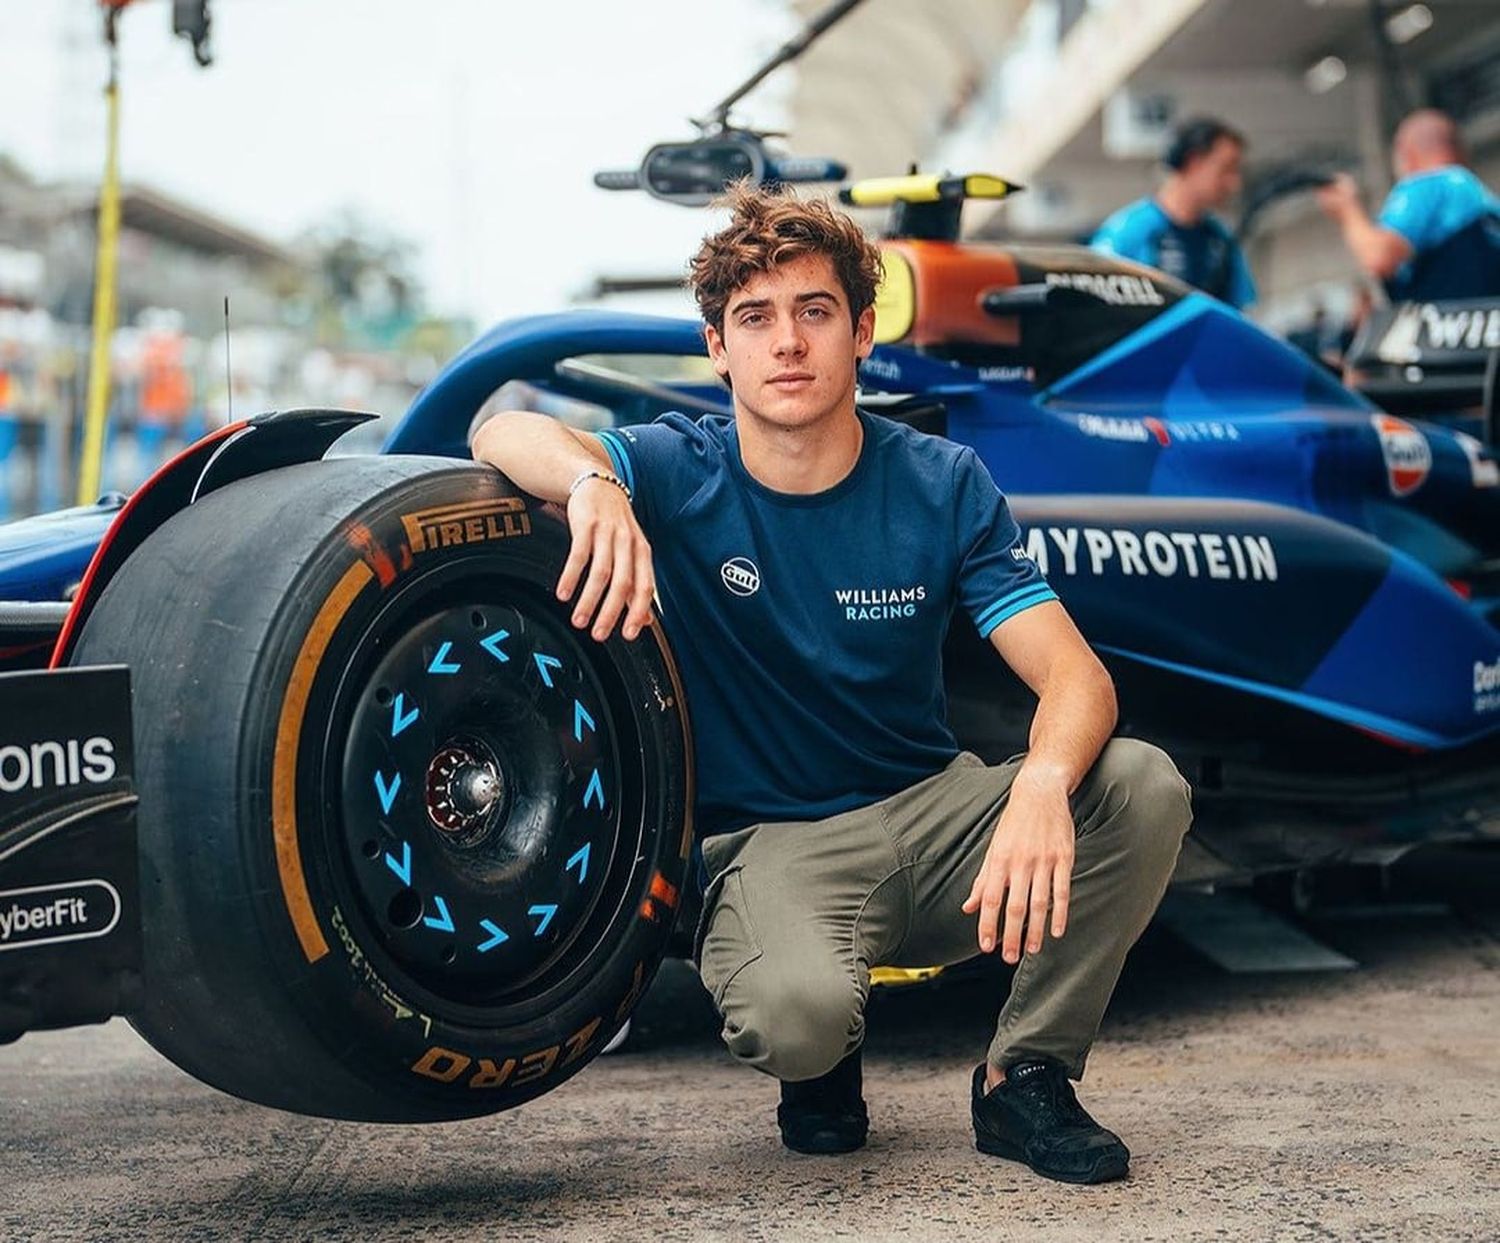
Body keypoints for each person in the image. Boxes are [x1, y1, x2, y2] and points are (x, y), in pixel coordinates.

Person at [472, 185, 1192, 1184]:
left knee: (1141, 782)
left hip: (936, 817)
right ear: (718, 348)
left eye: (814, 312)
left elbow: (1076, 677)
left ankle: (1024, 1075)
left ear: (860, 332)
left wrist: (1037, 785)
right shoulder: (679, 471)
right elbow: (499, 435)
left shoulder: (943, 482)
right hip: (774, 844)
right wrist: (592, 484)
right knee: (797, 1022)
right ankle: (829, 1047)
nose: (788, 343)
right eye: (755, 319)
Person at [1317, 108, 1500, 302]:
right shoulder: (1480, 198)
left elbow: (1379, 258)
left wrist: (1348, 210)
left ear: (1407, 152)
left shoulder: (1433, 184)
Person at [1091, 116, 1257, 309]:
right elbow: (1096, 303)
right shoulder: (1131, 232)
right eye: (1226, 170)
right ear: (1194, 162)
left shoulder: (1220, 240)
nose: (1234, 184)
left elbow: (1238, 311)